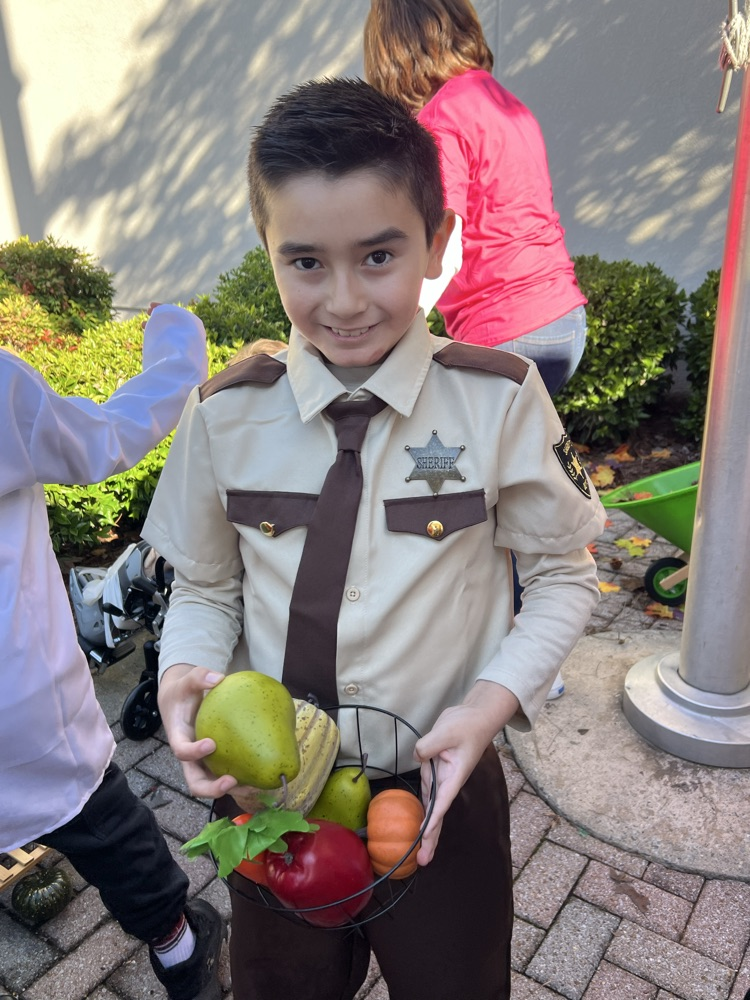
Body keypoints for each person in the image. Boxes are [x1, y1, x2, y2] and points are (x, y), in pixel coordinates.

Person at [142, 78, 605, 1000]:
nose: (344, 299)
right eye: (305, 261)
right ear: (268, 251)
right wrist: (181, 674)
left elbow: (562, 574)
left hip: (440, 785)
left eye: (380, 255)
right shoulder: (224, 417)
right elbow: (203, 587)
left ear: (437, 244)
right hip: (275, 801)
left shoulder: (499, 399)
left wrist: (488, 709)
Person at [0, 304, 225, 1000]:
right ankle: (179, 950)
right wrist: (178, 345)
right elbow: (108, 438)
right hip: (22, 707)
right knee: (103, 824)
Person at [364, 0, 588, 398]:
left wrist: (392, 335)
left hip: (506, 331)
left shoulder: (442, 117)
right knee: (523, 450)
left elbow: (445, 248)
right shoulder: (503, 101)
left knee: (450, 453)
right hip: (563, 319)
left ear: (394, 51)